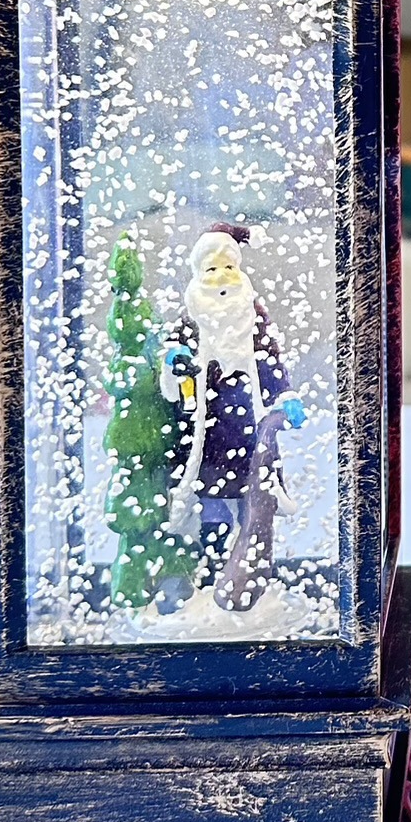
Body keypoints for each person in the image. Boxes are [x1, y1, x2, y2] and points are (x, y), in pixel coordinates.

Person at [159, 223, 306, 612]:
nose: (222, 277)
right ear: (198, 272)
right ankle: (211, 569)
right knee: (211, 504)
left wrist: (285, 397)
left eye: (228, 267)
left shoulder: (253, 314)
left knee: (252, 501)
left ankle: (250, 572)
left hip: (248, 427)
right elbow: (172, 355)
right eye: (212, 269)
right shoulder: (191, 316)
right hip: (207, 432)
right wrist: (175, 362)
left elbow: (269, 361)